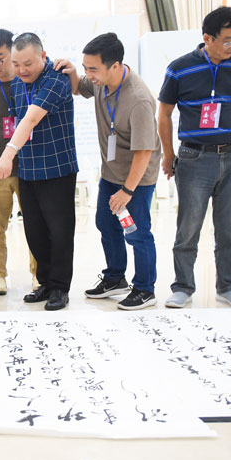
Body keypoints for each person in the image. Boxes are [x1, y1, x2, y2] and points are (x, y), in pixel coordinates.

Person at [158, 6, 231, 308]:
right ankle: (183, 287)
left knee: (230, 229)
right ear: (208, 38)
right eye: (229, 39)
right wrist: (169, 154)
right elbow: (164, 114)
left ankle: (228, 286)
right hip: (194, 158)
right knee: (188, 228)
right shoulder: (180, 68)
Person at [54, 33, 162, 310]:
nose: (89, 75)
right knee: (106, 223)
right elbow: (79, 88)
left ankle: (145, 289)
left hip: (137, 179)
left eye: (93, 69)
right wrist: (73, 72)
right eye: (86, 67)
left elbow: (144, 152)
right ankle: (115, 278)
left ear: (115, 66)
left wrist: (127, 191)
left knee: (136, 231)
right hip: (111, 173)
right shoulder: (101, 83)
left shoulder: (138, 99)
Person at [0, 33, 78, 311]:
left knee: (59, 232)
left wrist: (7, 154)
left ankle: (60, 288)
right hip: (28, 169)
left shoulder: (56, 79)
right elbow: (17, 119)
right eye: (16, 64)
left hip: (56, 169)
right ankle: (45, 283)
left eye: (27, 64)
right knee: (35, 231)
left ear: (43, 55)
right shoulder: (18, 83)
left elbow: (30, 119)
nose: (21, 70)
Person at [0, 28, 37, 295]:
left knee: (34, 224)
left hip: (29, 167)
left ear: (12, 53)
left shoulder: (29, 82)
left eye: (0, 59)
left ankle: (38, 273)